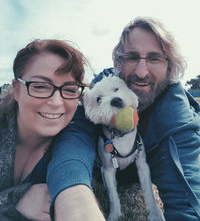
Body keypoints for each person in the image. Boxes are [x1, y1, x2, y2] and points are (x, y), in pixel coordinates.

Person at [92, 17, 200, 220]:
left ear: (170, 67)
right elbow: (76, 131)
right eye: (132, 57)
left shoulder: (178, 122)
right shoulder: (104, 85)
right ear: (119, 63)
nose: (141, 72)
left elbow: (186, 203)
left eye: (154, 58)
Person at [0, 39, 105, 221]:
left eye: (70, 89)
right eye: (40, 86)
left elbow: (73, 162)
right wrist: (14, 200)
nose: (56, 102)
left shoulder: (75, 129)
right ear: (16, 89)